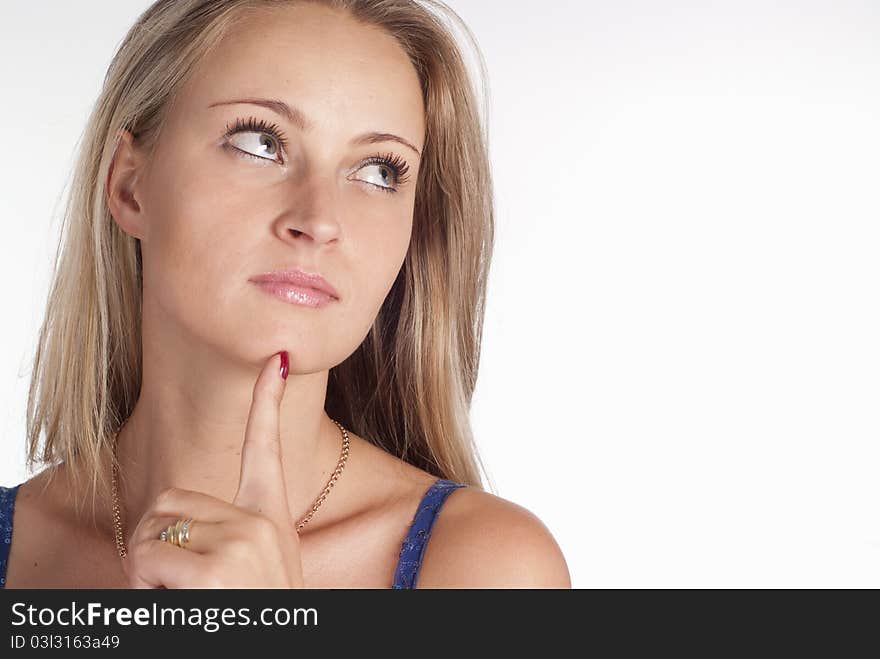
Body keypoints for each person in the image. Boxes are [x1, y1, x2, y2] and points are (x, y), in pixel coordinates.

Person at [0, 0, 570, 589]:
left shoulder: (489, 570)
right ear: (130, 186)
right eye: (260, 142)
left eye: (379, 171)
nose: (319, 220)